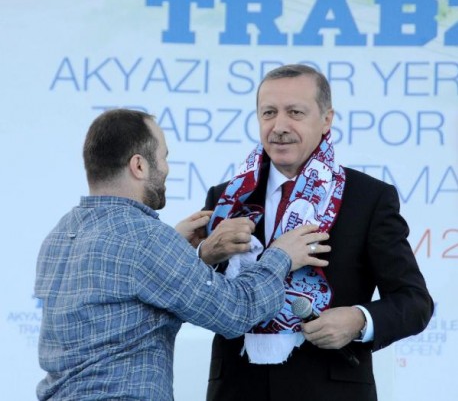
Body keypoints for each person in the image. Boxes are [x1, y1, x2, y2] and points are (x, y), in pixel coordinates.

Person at [34, 108, 332, 401]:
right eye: (163, 157)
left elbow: (128, 294)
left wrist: (180, 250)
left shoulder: (60, 235)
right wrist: (280, 256)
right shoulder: (148, 239)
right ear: (139, 165)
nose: (166, 168)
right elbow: (236, 312)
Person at [201, 64, 434, 401]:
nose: (280, 126)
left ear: (326, 120)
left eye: (295, 112)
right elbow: (197, 296)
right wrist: (204, 256)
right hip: (237, 389)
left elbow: (414, 302)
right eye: (269, 113)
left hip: (331, 389)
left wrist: (358, 320)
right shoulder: (227, 199)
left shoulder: (368, 198)